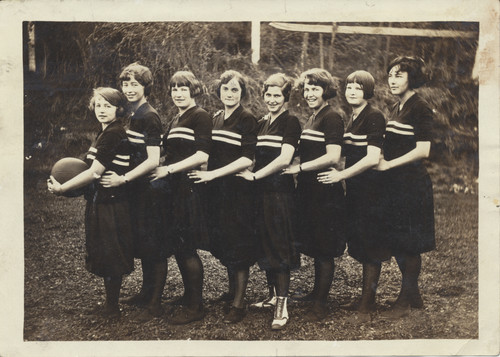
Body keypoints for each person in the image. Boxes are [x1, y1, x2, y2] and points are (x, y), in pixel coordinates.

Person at [47, 87, 133, 320]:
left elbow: (94, 173)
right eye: (98, 105)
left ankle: (113, 309)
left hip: (113, 204)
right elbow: (85, 164)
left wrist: (63, 188)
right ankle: (110, 305)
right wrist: (62, 184)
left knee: (111, 254)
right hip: (101, 201)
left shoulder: (115, 133)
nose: (102, 110)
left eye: (108, 106)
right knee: (104, 252)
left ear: (119, 109)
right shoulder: (103, 133)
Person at [317, 70, 388, 323]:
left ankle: (367, 307)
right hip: (357, 190)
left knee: (370, 247)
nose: (352, 92)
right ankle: (363, 299)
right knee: (359, 242)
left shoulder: (374, 116)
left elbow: (372, 157)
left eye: (358, 88)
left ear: (367, 92)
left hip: (372, 190)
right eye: (349, 87)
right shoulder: (354, 117)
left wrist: (341, 175)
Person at [188, 70, 258, 324]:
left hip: (237, 191)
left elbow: (246, 159)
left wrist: (214, 174)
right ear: (219, 92)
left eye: (235, 90)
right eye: (226, 89)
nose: (229, 94)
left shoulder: (247, 118)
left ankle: (239, 304)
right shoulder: (215, 118)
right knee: (224, 240)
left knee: (238, 243)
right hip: (216, 189)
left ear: (242, 93)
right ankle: (231, 292)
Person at [100, 63, 167, 321]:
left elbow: (153, 160)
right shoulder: (132, 114)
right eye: (125, 84)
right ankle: (145, 293)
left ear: (145, 87)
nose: (128, 89)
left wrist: (123, 179)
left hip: (151, 190)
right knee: (144, 244)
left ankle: (155, 305)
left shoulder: (150, 116)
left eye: (134, 84)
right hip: (137, 191)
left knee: (155, 247)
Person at [237, 73, 301, 330]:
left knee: (279, 246)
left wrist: (255, 176)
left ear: (286, 98)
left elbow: (285, 159)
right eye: (268, 95)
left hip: (279, 193)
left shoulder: (291, 122)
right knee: (265, 244)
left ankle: (282, 307)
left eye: (278, 95)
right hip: (260, 193)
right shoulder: (262, 122)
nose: (272, 100)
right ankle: (273, 295)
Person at [374, 56, 435, 319]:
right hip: (396, 186)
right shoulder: (397, 107)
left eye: (399, 74)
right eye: (390, 75)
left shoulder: (421, 107)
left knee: (409, 244)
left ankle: (404, 301)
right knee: (399, 240)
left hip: (412, 184)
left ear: (412, 77)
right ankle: (414, 297)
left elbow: (423, 150)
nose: (392, 80)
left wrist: (388, 165)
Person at [282, 68, 346, 322]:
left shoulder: (332, 117)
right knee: (315, 241)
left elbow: (333, 156)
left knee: (324, 249)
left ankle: (320, 304)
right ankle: (315, 294)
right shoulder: (313, 117)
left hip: (324, 189)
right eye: (306, 89)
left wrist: (298, 167)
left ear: (326, 91)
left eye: (315, 89)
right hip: (309, 188)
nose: (309, 93)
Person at [150, 70, 212, 325]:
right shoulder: (177, 118)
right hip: (173, 189)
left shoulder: (201, 116)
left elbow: (202, 156)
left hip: (187, 187)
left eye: (183, 89)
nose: (177, 93)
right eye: (174, 89)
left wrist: (168, 169)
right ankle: (189, 296)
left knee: (187, 247)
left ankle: (196, 306)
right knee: (178, 244)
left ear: (193, 91)